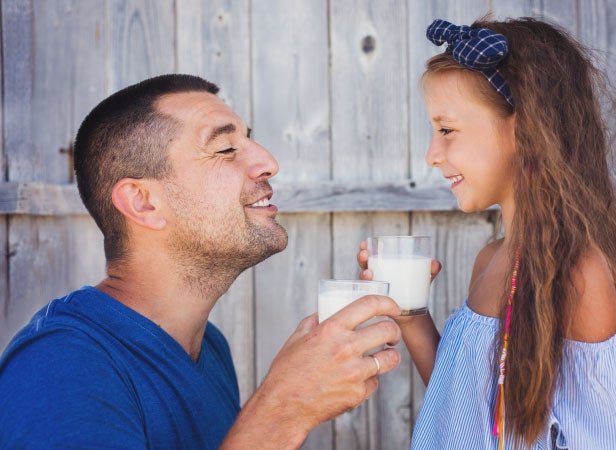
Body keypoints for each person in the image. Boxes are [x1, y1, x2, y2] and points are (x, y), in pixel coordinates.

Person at [0, 74, 403, 449]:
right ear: (143, 202)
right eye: (227, 149)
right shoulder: (61, 368)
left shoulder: (209, 346)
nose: (268, 162)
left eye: (249, 141)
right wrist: (284, 410)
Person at [358, 17, 616, 449]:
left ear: (524, 130)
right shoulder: (490, 258)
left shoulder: (578, 276)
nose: (431, 155)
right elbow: (462, 410)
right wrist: (412, 317)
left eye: (446, 130)